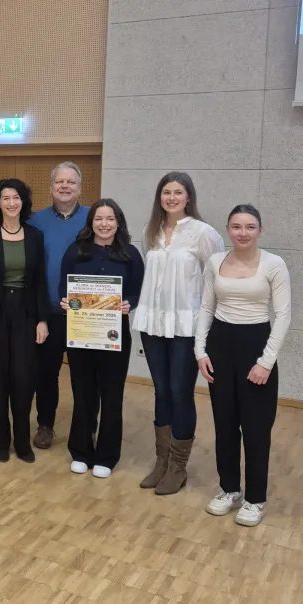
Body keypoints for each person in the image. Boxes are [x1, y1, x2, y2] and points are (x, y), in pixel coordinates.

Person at [195, 205, 291, 527]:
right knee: (224, 424)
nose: (243, 232)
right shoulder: (215, 262)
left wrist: (266, 361)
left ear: (260, 230)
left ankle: (256, 499)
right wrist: (200, 351)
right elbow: (206, 307)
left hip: (256, 344)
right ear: (228, 229)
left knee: (255, 428)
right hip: (220, 345)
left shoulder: (274, 264)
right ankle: (230, 490)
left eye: (250, 226)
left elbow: (283, 317)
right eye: (236, 226)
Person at [134, 172, 224, 495]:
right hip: (154, 324)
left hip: (187, 326)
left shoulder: (204, 233)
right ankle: (162, 462)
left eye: (178, 192)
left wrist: (210, 328)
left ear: (189, 197)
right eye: (166, 192)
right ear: (159, 197)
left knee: (179, 392)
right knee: (161, 392)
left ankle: (178, 467)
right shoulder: (151, 231)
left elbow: (215, 281)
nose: (171, 197)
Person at [58, 199, 144, 478]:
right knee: (83, 394)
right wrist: (65, 301)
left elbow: (137, 292)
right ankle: (80, 451)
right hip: (81, 334)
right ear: (91, 222)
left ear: (118, 223)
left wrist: (129, 303)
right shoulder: (76, 250)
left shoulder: (130, 254)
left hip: (114, 336)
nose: (104, 224)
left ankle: (107, 456)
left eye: (109, 219)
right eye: (98, 219)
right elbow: (63, 288)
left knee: (112, 395)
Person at [0, 179, 48, 463]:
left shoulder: (35, 236)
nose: (11, 203)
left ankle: (22, 442)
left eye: (16, 197)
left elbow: (40, 281)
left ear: (23, 202)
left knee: (23, 378)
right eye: (6, 198)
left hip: (26, 314)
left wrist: (42, 320)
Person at [28, 162, 92, 449]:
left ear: (80, 187)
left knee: (85, 377)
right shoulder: (35, 221)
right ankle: (45, 425)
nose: (65, 186)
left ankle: (87, 429)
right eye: (60, 182)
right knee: (46, 373)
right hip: (48, 314)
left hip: (86, 316)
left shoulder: (95, 218)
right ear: (51, 187)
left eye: (71, 182)